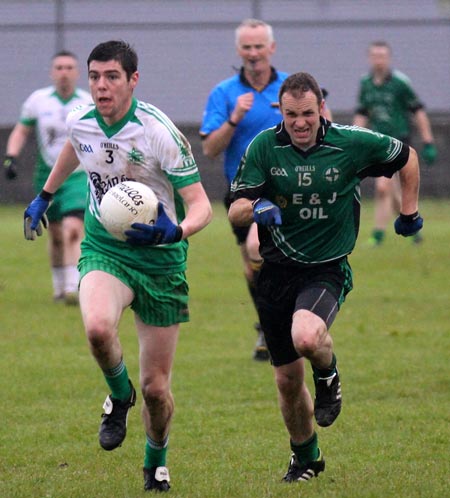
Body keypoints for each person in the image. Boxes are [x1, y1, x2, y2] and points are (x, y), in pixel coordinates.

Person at [23, 40, 212, 493]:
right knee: (97, 329)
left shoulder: (159, 132)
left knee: (157, 388)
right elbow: (76, 146)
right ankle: (118, 393)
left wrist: (175, 232)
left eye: (111, 77)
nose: (101, 86)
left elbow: (202, 205)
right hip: (105, 248)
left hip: (161, 260)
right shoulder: (82, 120)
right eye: (95, 77)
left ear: (133, 80)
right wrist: (46, 194)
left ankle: (155, 462)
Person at [228, 72, 422, 483]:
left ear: (322, 110)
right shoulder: (265, 146)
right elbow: (234, 210)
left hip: (326, 268)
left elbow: (406, 156)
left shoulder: (350, 143)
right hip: (277, 272)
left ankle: (329, 375)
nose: (300, 122)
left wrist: (409, 212)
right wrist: (257, 208)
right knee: (285, 380)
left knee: (307, 337)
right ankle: (306, 459)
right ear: (281, 112)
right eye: (292, 114)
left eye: (308, 114)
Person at [200, 18, 332, 361]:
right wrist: (234, 119)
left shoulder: (291, 89)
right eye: (247, 47)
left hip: (293, 188)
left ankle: (295, 319)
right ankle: (271, 323)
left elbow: (327, 126)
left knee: (263, 252)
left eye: (259, 46)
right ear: (238, 50)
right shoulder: (225, 93)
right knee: (253, 261)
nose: (254, 53)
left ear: (271, 48)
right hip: (244, 191)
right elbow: (211, 149)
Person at [3, 50, 92, 305]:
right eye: (59, 68)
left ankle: (74, 288)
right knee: (54, 235)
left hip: (77, 176)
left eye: (69, 68)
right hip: (47, 176)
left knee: (73, 229)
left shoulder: (87, 102)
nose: (64, 72)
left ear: (77, 73)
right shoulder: (38, 101)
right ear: (52, 73)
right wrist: (11, 156)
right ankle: (59, 288)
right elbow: (21, 130)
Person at [353, 40, 436, 246]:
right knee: (389, 189)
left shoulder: (400, 83)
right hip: (376, 141)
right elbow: (363, 113)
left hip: (399, 140)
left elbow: (418, 110)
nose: (379, 60)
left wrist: (428, 141)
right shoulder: (366, 83)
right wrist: (353, 139)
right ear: (369, 58)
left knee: (383, 187)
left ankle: (378, 235)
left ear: (388, 58)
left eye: (382, 56)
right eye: (375, 56)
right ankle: (411, 223)